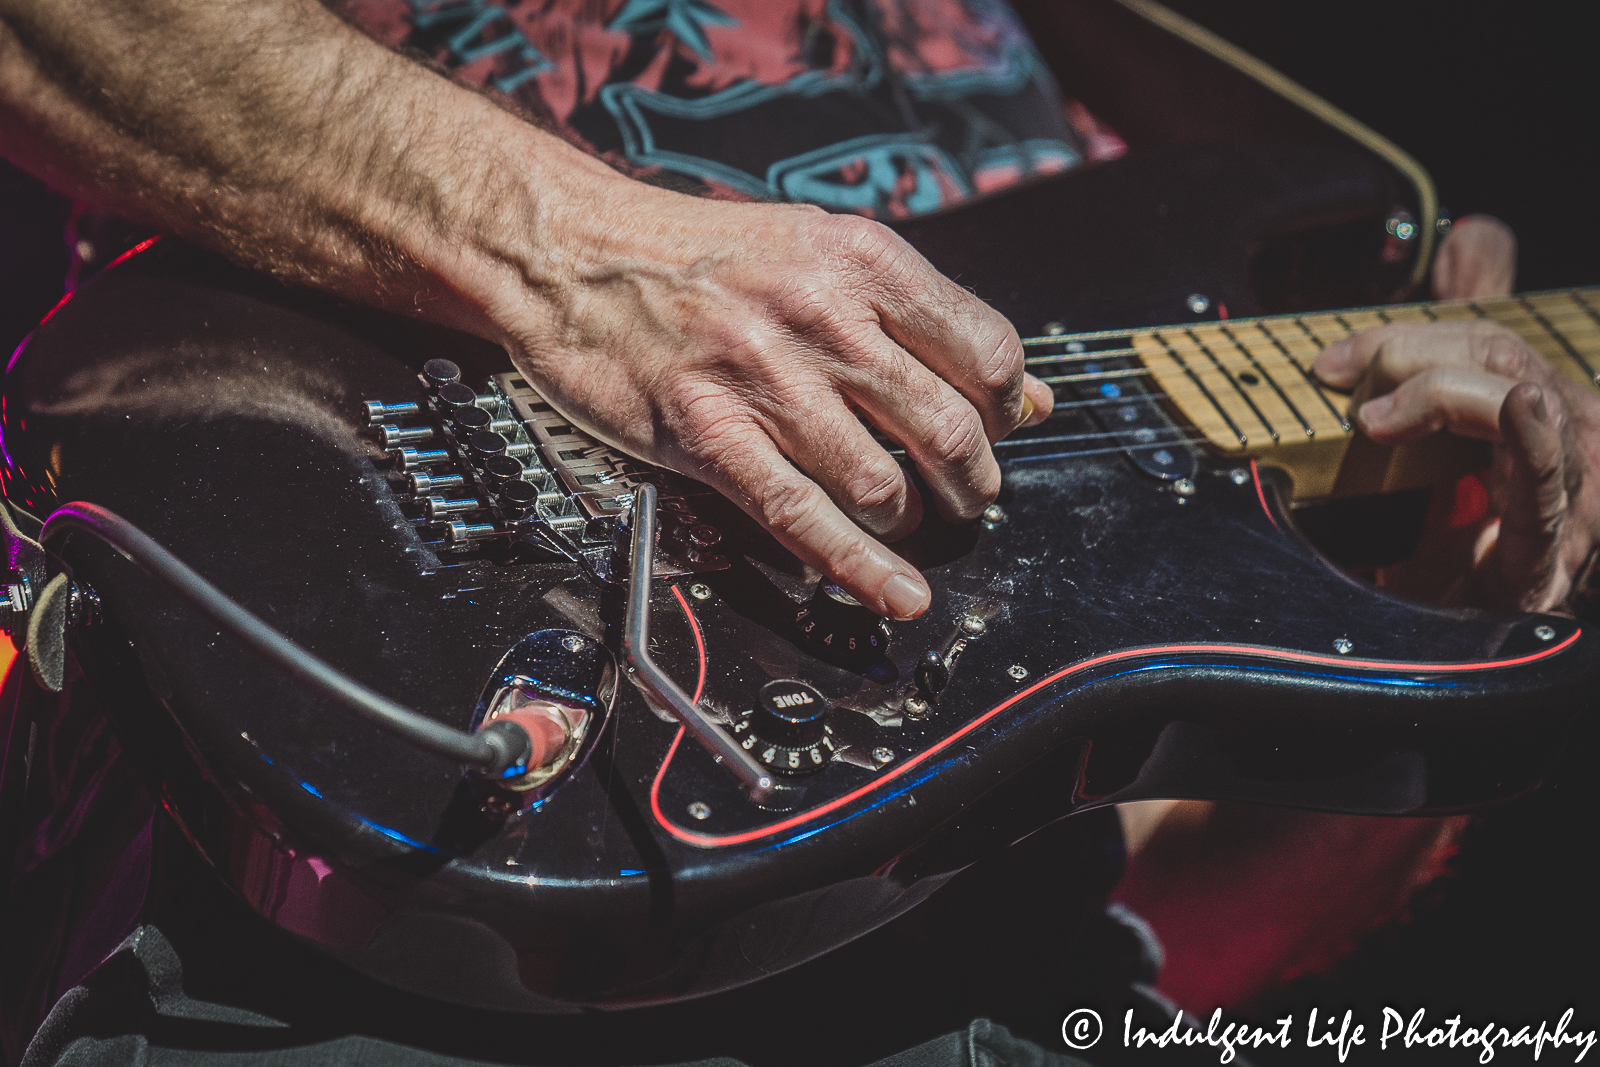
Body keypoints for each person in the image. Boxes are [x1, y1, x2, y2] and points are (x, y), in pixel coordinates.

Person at [0, 0, 1595, 1064]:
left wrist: (1398, 660)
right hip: (360, 890)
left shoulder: (1119, 93)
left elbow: (1176, 920)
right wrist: (587, 261)